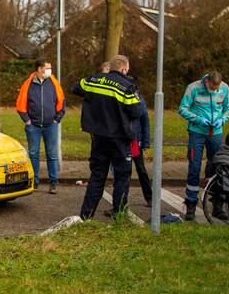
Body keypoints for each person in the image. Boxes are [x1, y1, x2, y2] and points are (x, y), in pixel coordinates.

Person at [73, 55, 144, 220]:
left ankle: (86, 215)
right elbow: (136, 112)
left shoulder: (94, 80)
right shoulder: (127, 86)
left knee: (97, 176)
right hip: (119, 138)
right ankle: (119, 215)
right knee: (122, 176)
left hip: (98, 137)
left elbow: (76, 88)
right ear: (124, 69)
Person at [178, 70, 229, 221]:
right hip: (197, 132)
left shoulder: (225, 88)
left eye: (217, 89)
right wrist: (198, 119)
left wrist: (222, 120)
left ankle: (217, 205)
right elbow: (182, 109)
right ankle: (190, 204)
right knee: (194, 168)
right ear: (207, 81)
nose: (214, 91)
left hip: (215, 133)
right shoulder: (193, 88)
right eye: (212, 88)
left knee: (217, 167)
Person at [16, 59, 66, 193]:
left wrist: (57, 119)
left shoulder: (54, 83)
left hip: (51, 125)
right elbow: (21, 104)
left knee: (52, 154)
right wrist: (27, 120)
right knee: (33, 154)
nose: (50, 70)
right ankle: (34, 181)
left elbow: (62, 102)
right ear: (39, 69)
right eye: (47, 68)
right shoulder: (28, 84)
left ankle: (53, 183)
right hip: (33, 126)